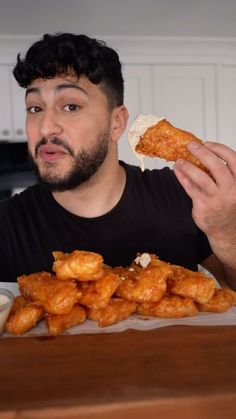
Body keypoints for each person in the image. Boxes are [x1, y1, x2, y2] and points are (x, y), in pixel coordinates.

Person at [0, 33, 236, 290]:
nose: (45, 128)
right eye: (35, 108)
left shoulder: (190, 196)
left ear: (117, 123)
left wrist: (227, 232)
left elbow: (228, 293)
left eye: (70, 106)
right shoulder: (6, 225)